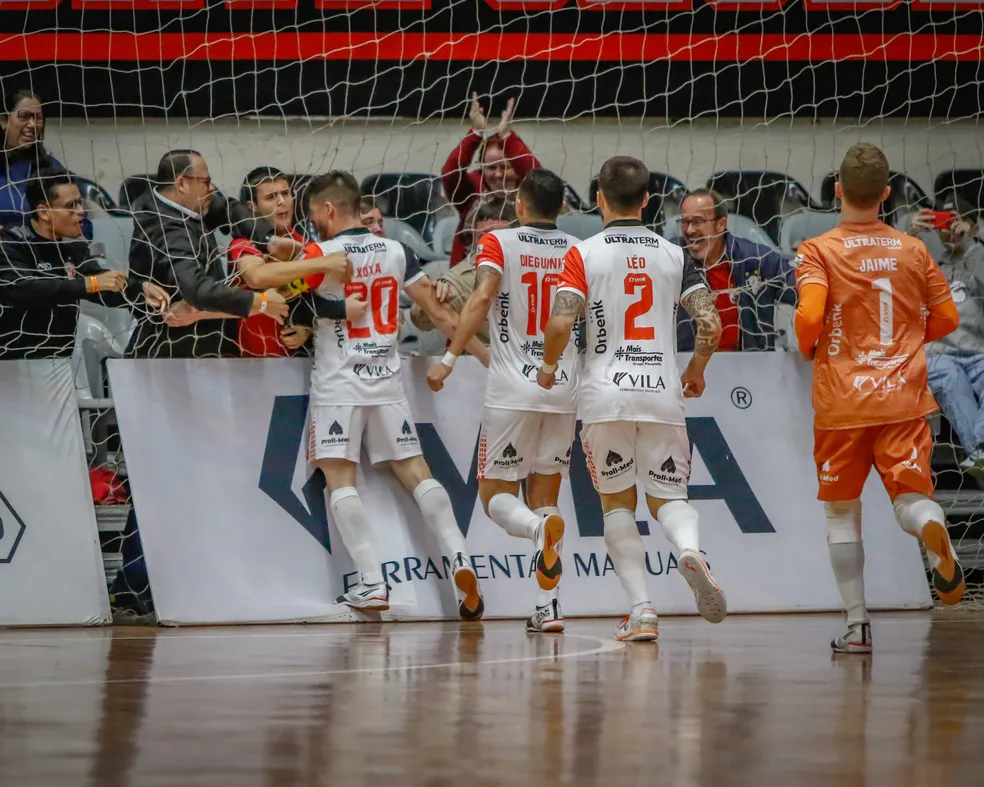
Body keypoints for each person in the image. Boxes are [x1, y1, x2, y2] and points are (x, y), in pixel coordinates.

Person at [538, 156, 728, 643]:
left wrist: (547, 364)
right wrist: (696, 370)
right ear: (648, 201)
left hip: (605, 398)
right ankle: (691, 550)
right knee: (670, 498)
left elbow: (561, 322)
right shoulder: (674, 254)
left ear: (598, 198)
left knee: (617, 506)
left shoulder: (584, 253)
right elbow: (710, 324)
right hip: (662, 394)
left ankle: (641, 610)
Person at [794, 142, 965, 654]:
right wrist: (907, 339)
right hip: (903, 399)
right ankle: (935, 535)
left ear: (838, 189)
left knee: (842, 515)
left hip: (842, 401)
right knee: (912, 500)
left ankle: (856, 625)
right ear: (887, 193)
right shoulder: (914, 250)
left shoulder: (817, 250)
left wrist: (811, 347)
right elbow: (949, 319)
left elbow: (808, 317)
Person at [302, 171, 490, 618]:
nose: (313, 222)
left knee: (339, 480)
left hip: (338, 383)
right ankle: (460, 559)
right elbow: (440, 313)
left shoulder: (320, 254)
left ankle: (371, 582)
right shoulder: (396, 250)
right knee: (418, 473)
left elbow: (290, 300)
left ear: (329, 209)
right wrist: (485, 357)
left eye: (313, 213)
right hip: (386, 381)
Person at [426, 169, 578, 632]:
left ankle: (536, 531)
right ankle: (548, 607)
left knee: (495, 495)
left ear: (519, 206)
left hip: (512, 386)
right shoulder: (577, 248)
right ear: (562, 209)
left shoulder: (499, 244)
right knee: (547, 495)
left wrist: (451, 357)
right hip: (563, 383)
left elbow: (482, 297)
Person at [125, 149, 299, 358]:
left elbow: (230, 208)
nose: (212, 188)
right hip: (170, 354)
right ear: (182, 184)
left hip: (206, 349)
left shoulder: (186, 203)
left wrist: (269, 239)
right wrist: (260, 303)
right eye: (206, 182)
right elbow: (197, 290)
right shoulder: (165, 230)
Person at [0, 167, 168, 358]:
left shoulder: (74, 246)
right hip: (12, 358)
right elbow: (19, 289)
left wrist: (139, 289)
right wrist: (90, 284)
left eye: (80, 203)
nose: (81, 211)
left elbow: (101, 286)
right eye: (71, 206)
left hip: (59, 356)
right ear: (44, 212)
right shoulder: (11, 241)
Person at [228, 166, 362, 358]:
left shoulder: (303, 242)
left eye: (285, 193)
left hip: (301, 363)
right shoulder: (243, 244)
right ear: (252, 207)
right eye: (271, 197)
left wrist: (307, 330)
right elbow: (256, 277)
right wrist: (321, 264)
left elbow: (316, 300)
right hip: (255, 363)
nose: (281, 202)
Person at [908, 195, 984, 475]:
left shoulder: (978, 260)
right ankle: (981, 451)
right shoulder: (925, 265)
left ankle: (980, 454)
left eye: (955, 222)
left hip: (978, 353)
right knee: (950, 377)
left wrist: (972, 247)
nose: (948, 229)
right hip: (937, 354)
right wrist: (908, 235)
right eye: (942, 222)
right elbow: (890, 278)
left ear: (973, 227)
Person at [674, 188, 796, 351]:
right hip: (687, 365)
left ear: (721, 224)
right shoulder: (670, 257)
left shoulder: (756, 259)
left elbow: (801, 292)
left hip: (750, 366)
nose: (689, 230)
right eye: (684, 222)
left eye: (697, 222)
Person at [441, 93, 540, 266]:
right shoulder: (472, 190)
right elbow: (450, 173)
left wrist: (508, 138)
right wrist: (476, 134)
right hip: (470, 275)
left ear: (517, 166)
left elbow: (540, 178)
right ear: (482, 168)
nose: (498, 175)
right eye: (491, 167)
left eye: (506, 167)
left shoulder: (529, 194)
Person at [409, 198, 516, 347]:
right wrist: (431, 297)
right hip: (483, 364)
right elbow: (421, 320)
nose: (491, 245)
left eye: (499, 238)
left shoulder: (533, 266)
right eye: (483, 237)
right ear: (474, 238)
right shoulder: (463, 278)